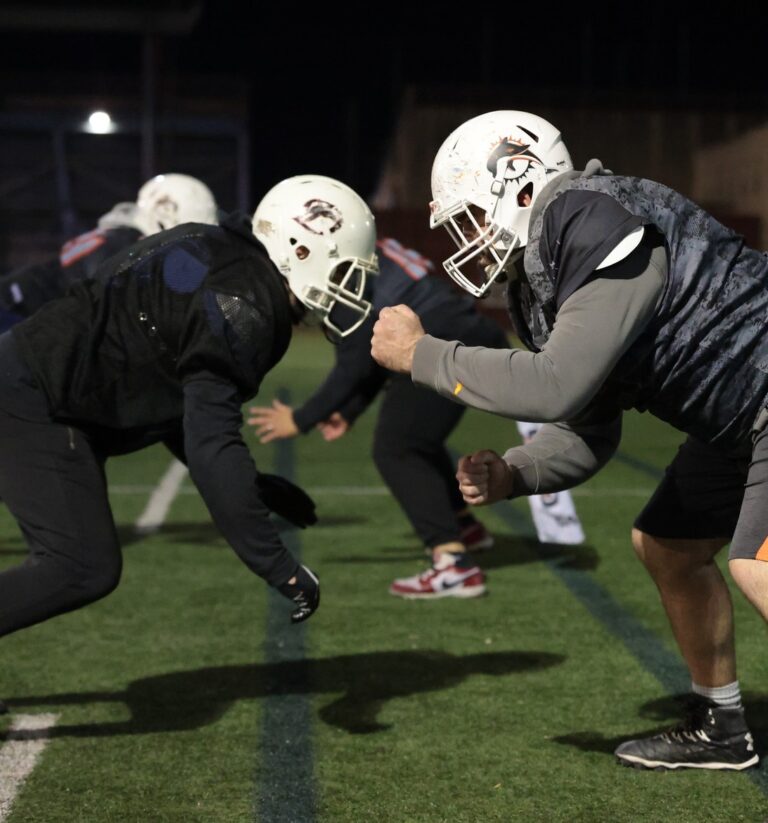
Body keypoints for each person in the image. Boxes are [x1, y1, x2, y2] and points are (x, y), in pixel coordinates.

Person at [371, 109, 767, 771]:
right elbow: (588, 422)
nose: (465, 237)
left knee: (756, 561)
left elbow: (557, 382)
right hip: (738, 416)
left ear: (519, 183)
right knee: (667, 544)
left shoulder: (587, 215)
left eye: (470, 215)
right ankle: (720, 723)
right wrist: (516, 472)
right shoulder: (542, 284)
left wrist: (424, 355)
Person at [0, 174, 376, 701]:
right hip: (34, 398)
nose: (348, 284)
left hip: (43, 390)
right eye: (341, 267)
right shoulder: (246, 303)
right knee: (80, 565)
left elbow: (178, 410)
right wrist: (279, 566)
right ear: (301, 246)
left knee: (83, 562)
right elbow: (209, 444)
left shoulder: (218, 249)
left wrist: (257, 487)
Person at [247, 221, 508, 599]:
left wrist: (301, 419)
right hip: (463, 333)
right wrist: (350, 410)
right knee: (417, 440)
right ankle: (463, 528)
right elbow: (371, 356)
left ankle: (454, 564)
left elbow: (355, 364)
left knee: (397, 449)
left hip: (440, 342)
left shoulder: (341, 269)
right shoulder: (369, 248)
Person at [0, 173, 219, 331]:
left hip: (20, 308)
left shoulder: (122, 235)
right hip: (15, 313)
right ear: (167, 211)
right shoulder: (128, 245)